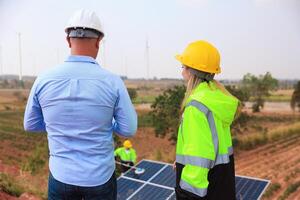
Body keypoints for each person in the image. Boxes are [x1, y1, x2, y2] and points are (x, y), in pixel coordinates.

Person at [23, 9, 137, 200]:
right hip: (100, 177)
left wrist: (57, 125)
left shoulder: (43, 79)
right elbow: (129, 129)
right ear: (99, 41)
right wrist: (105, 124)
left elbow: (30, 124)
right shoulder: (112, 82)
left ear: (68, 40)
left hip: (61, 176)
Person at [174, 40, 240, 199]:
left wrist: (187, 195)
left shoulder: (196, 107)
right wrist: (183, 161)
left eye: (183, 67)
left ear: (191, 71)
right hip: (223, 181)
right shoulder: (215, 99)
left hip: (205, 189)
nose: (182, 72)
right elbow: (212, 145)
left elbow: (199, 160)